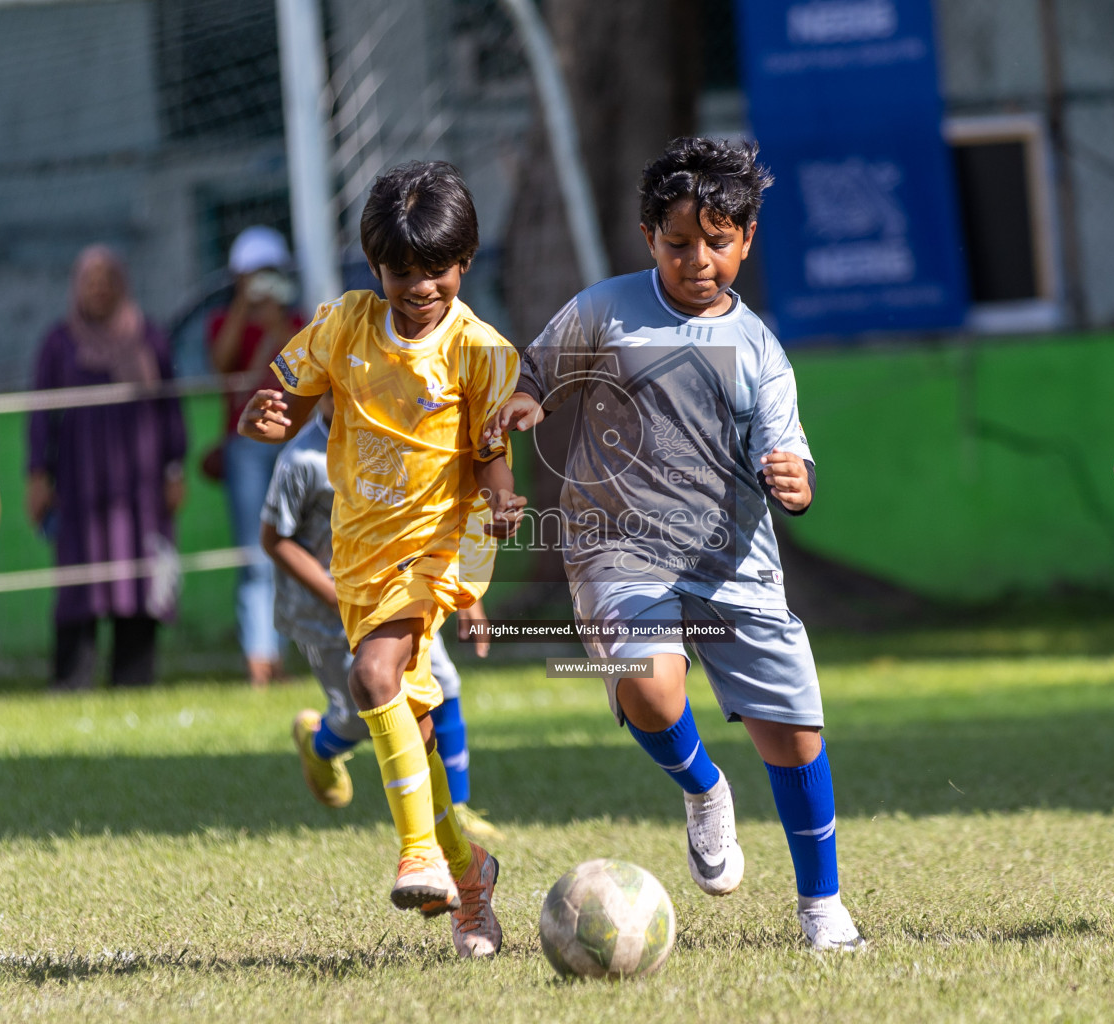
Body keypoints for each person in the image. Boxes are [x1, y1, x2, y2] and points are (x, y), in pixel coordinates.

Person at [485, 137, 865, 952]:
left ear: (748, 239)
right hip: (614, 547)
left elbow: (786, 445)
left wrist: (795, 479)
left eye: (718, 242)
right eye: (678, 242)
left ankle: (822, 909)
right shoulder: (605, 310)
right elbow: (538, 373)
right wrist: (525, 404)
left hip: (732, 557)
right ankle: (702, 787)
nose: (699, 261)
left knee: (795, 735)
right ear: (649, 235)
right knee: (650, 688)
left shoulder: (759, 350)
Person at [238, 160, 523, 959]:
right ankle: (474, 886)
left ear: (462, 264)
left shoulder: (480, 350)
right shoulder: (346, 325)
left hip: (442, 546)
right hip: (361, 552)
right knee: (416, 730)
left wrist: (502, 496)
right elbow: (285, 404)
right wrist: (265, 422)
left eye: (438, 271)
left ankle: (420, 855)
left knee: (372, 678)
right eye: (405, 272)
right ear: (377, 268)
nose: (421, 287)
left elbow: (492, 445)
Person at [260, 391, 501, 839]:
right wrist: (334, 594)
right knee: (359, 716)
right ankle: (318, 745)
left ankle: (457, 809)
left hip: (399, 597)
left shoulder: (393, 440)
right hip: (324, 618)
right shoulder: (302, 461)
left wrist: (468, 597)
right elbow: (275, 539)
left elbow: (433, 521)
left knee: (444, 686)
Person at [28, 245, 187, 690]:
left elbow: (170, 410)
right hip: (79, 486)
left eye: (106, 282)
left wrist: (175, 470)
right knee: (80, 579)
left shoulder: (148, 338)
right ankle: (71, 679)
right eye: (89, 283)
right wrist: (38, 475)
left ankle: (133, 677)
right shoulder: (59, 344)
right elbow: (41, 415)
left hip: (140, 488)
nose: (98, 291)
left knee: (138, 575)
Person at [208, 226, 307, 688]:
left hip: (289, 442)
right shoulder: (225, 322)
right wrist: (244, 311)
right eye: (254, 277)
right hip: (245, 448)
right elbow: (222, 364)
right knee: (254, 553)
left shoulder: (299, 322)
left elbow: (307, 374)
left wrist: (277, 329)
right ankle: (258, 658)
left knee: (291, 546)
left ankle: (279, 657)